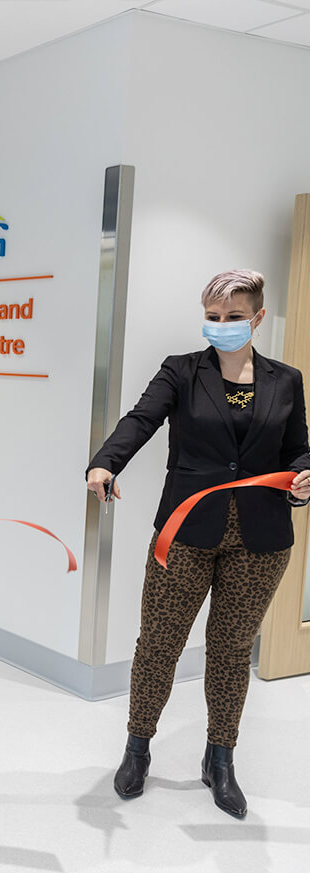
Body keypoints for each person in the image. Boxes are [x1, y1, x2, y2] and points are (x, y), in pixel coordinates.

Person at [87, 270, 310, 818]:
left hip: (260, 539)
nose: (222, 326)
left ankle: (220, 759)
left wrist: (304, 478)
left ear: (257, 318)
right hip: (185, 532)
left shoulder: (286, 380)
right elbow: (141, 419)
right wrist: (104, 462)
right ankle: (138, 749)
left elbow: (299, 449)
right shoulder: (181, 372)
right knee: (158, 644)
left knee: (232, 651)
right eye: (213, 316)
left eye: (234, 317)